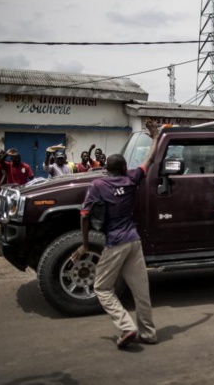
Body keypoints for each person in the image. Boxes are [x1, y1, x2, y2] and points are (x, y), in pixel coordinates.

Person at [71, 121, 160, 349]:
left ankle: (126, 326)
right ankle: (148, 333)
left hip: (115, 242)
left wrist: (85, 244)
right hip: (133, 241)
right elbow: (149, 160)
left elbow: (83, 215)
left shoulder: (98, 184)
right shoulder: (131, 179)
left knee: (101, 287)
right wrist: (156, 136)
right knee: (141, 291)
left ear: (106, 169)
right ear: (123, 168)